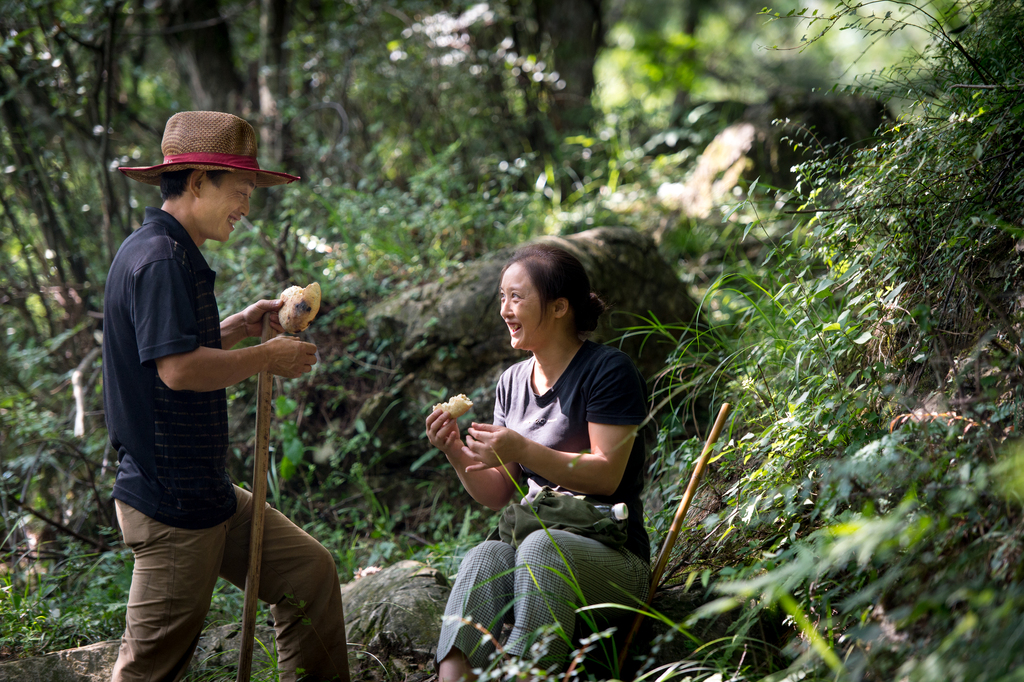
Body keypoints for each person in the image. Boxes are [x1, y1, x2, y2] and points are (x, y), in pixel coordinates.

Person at [104, 111, 349, 682]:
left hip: (204, 491)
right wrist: (268, 357)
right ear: (196, 182)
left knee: (309, 574)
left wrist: (242, 324)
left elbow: (170, 349)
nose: (246, 205)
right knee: (149, 669)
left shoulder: (168, 249)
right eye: (239, 190)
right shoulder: (161, 258)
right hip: (170, 504)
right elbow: (179, 370)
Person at [425, 244, 652, 680]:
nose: (504, 310)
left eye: (517, 297)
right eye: (502, 297)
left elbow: (606, 475)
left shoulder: (608, 371)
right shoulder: (511, 382)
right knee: (486, 554)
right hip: (535, 552)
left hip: (614, 559)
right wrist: (454, 450)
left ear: (560, 307)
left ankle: (524, 672)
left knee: (539, 548)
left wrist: (524, 450)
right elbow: (496, 492)